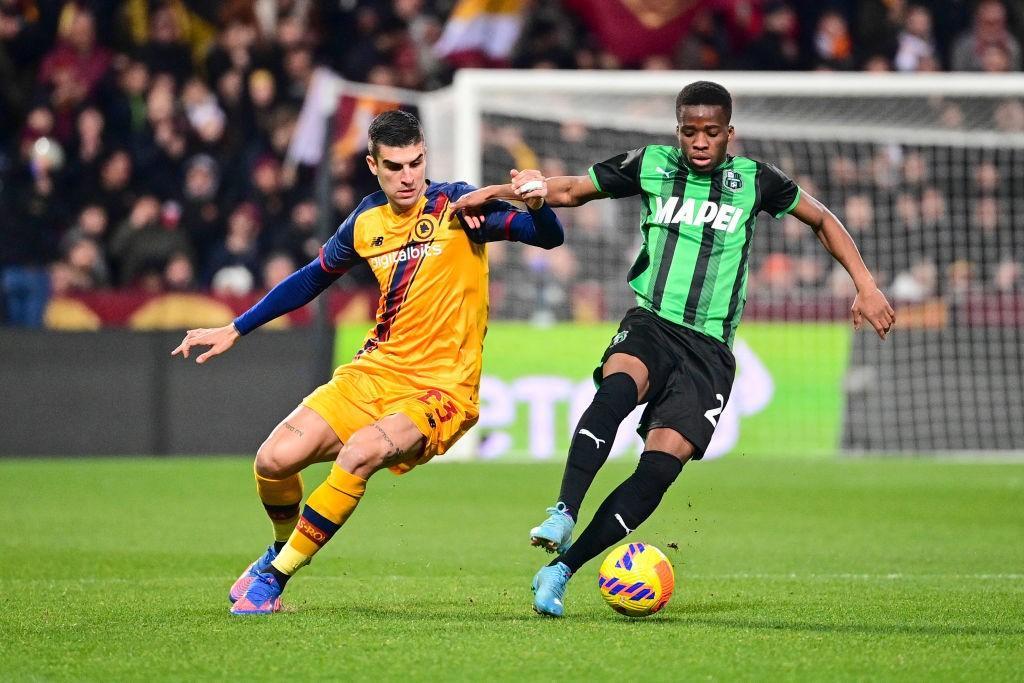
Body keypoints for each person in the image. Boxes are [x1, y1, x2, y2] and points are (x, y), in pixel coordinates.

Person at [452, 81, 895, 617]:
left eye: (711, 133)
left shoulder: (756, 181)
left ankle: (562, 569)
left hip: (709, 352)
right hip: (653, 323)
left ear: (729, 133)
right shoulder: (652, 164)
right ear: (677, 130)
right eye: (690, 132)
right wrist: (503, 190)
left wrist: (865, 284)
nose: (700, 142)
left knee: (658, 472)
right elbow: (568, 190)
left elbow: (822, 219)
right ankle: (563, 511)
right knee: (615, 390)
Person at [172, 110, 564, 615]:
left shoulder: (459, 206)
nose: (408, 176)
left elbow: (546, 236)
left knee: (358, 454)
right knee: (272, 461)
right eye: (396, 166)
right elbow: (312, 278)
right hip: (374, 372)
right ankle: (282, 548)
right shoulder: (364, 222)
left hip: (442, 389)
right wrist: (236, 327)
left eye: (417, 163)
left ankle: (273, 579)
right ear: (373, 165)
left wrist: (537, 203)